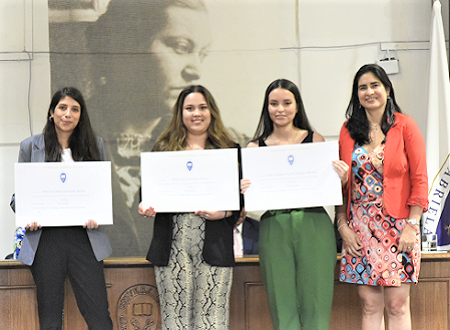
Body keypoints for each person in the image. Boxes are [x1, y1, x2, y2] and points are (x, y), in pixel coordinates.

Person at [80, 0, 213, 256]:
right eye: (181, 47)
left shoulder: (205, 145)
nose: (195, 70)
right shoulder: (72, 136)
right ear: (127, 47)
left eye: (202, 54)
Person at [241, 79, 348, 330]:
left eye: (287, 103)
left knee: (317, 301)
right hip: (273, 225)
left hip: (315, 224)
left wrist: (341, 178)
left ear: (297, 107)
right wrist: (243, 190)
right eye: (274, 103)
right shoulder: (255, 147)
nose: (280, 109)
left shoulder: (316, 140)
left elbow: (331, 187)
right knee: (281, 303)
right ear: (266, 107)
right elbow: (249, 202)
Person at [138, 85, 242, 329]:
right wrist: (146, 205)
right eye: (190, 108)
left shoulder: (229, 150)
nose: (197, 113)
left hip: (215, 244)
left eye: (203, 107)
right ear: (180, 114)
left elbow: (241, 203)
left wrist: (224, 213)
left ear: (212, 112)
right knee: (175, 321)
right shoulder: (163, 149)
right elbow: (146, 194)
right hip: (171, 245)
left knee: (212, 321)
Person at [12, 87, 113, 330]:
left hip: (85, 239)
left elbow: (103, 192)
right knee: (49, 319)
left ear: (81, 115)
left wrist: (97, 214)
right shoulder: (30, 146)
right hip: (46, 240)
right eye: (62, 107)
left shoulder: (95, 145)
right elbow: (19, 197)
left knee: (99, 317)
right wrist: (29, 216)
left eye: (75, 109)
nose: (68, 114)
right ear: (51, 112)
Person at [336, 64, 428, 330]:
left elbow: (420, 178)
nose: (369, 92)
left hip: (400, 226)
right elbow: (342, 186)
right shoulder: (347, 130)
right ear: (356, 94)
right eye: (362, 87)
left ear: (387, 89)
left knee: (397, 304)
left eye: (375, 85)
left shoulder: (405, 125)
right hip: (359, 227)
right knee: (369, 304)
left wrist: (412, 225)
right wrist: (343, 225)